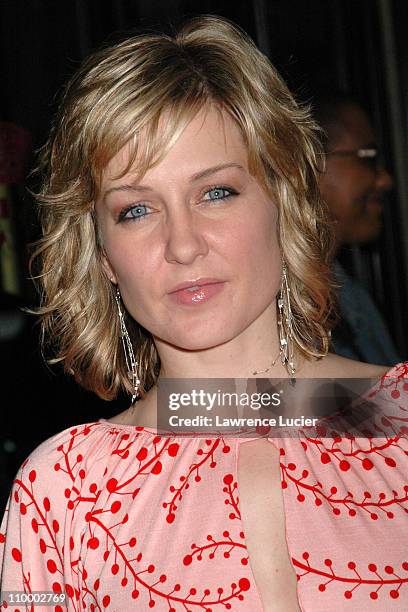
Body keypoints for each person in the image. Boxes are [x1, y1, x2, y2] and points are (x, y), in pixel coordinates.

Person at [0, 16, 407, 612]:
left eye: (216, 192)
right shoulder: (64, 492)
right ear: (104, 255)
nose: (183, 245)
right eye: (136, 210)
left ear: (283, 199)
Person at [314, 92, 401, 365]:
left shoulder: (347, 293)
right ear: (309, 163)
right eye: (368, 157)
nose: (385, 180)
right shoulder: (274, 309)